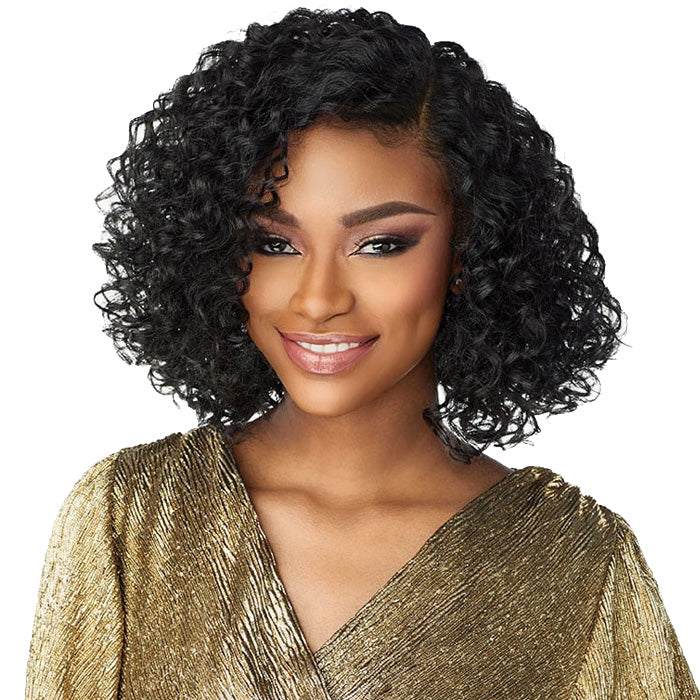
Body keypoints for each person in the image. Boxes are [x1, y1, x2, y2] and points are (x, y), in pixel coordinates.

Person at [24, 7, 698, 699]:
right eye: (275, 244)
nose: (318, 299)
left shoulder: (577, 567)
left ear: (470, 248)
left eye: (380, 244)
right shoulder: (131, 521)